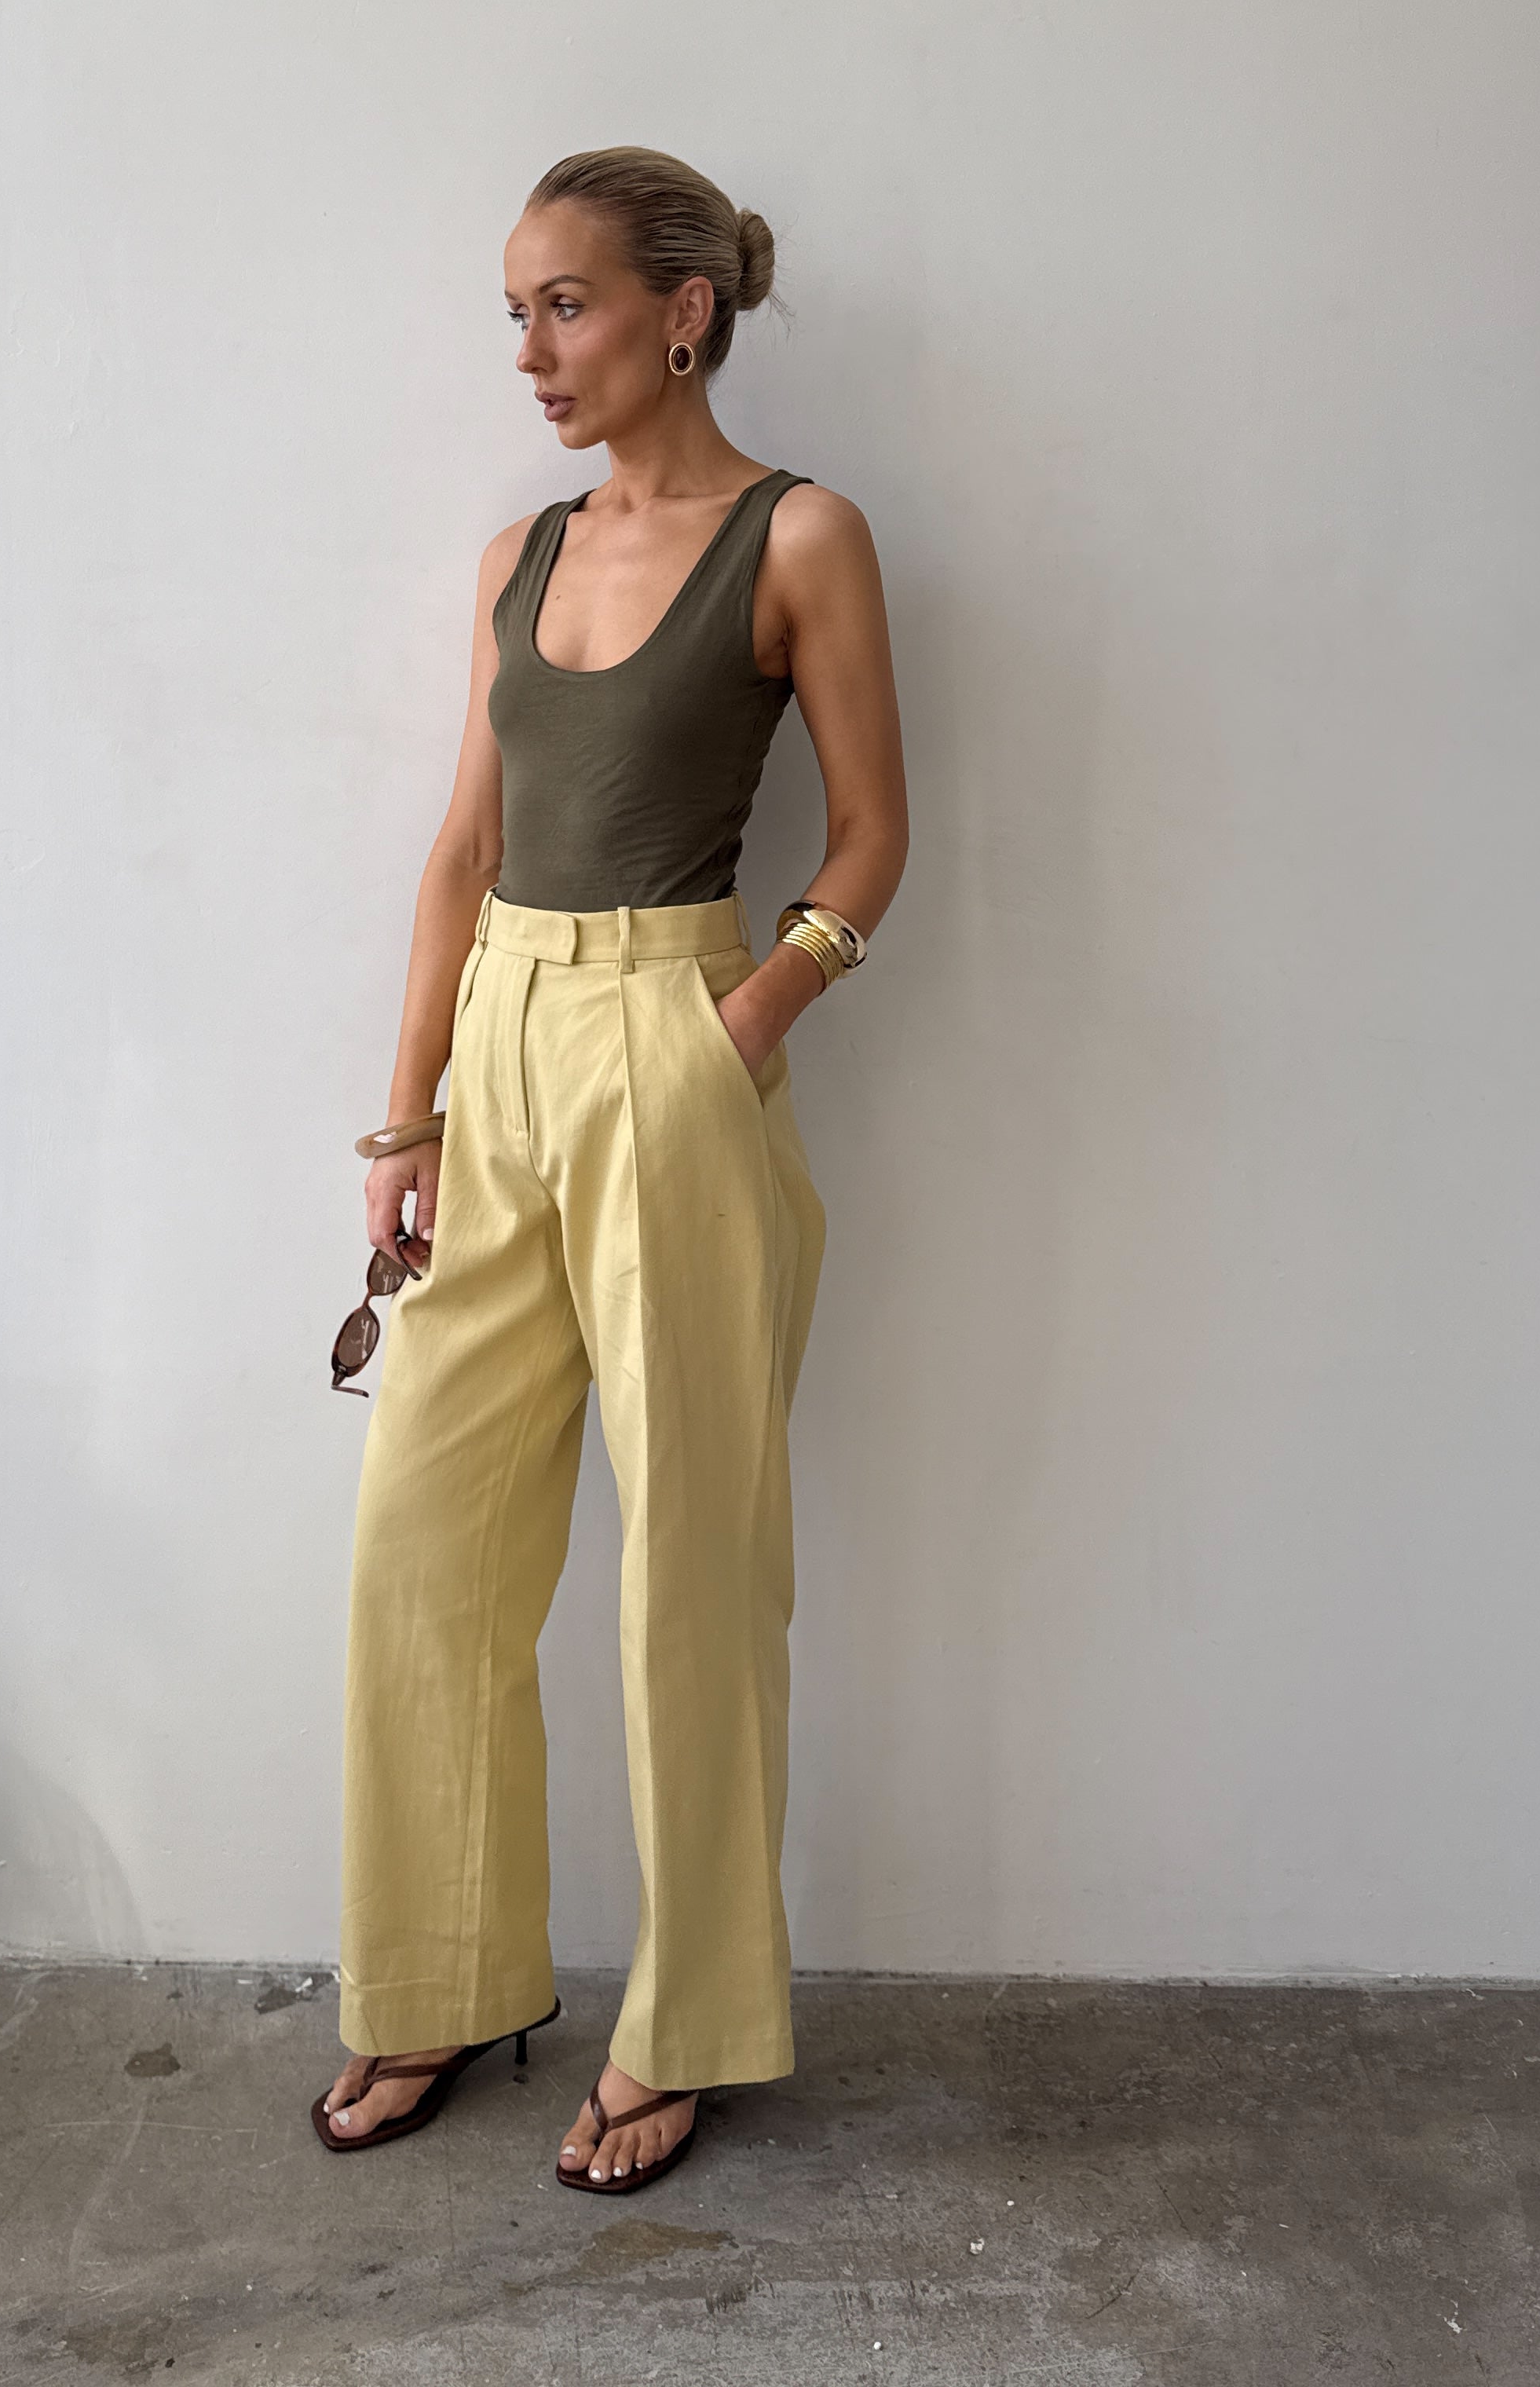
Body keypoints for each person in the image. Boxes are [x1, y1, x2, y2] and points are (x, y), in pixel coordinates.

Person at [313, 146, 908, 2196]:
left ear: (683, 309)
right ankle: (443, 1971)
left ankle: (697, 2021)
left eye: (563, 306)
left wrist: (746, 1027)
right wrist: (407, 1123)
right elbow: (462, 857)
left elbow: (869, 843)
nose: (531, 355)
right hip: (502, 1041)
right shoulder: (517, 555)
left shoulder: (802, 535)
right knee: (426, 1540)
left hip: (676, 1038)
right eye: (512, 314)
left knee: (692, 1575)